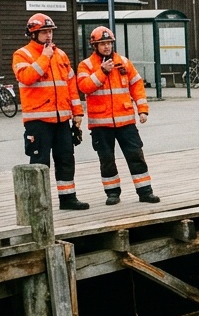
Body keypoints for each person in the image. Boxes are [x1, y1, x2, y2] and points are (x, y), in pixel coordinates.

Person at [12, 13, 89, 210]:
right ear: (33, 34)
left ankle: (68, 198)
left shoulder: (61, 55)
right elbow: (27, 77)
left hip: (62, 119)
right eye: (44, 32)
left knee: (66, 158)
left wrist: (77, 113)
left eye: (50, 31)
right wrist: (44, 57)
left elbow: (71, 86)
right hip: (38, 120)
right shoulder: (22, 55)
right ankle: (38, 204)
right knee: (40, 162)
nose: (49, 35)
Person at [75, 26, 158, 205]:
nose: (106, 46)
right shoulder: (86, 65)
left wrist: (142, 109)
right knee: (107, 160)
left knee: (136, 155)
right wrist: (102, 72)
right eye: (102, 44)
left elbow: (137, 85)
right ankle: (112, 193)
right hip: (100, 124)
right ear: (94, 46)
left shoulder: (124, 62)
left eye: (109, 43)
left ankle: (145, 192)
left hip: (126, 121)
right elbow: (84, 87)